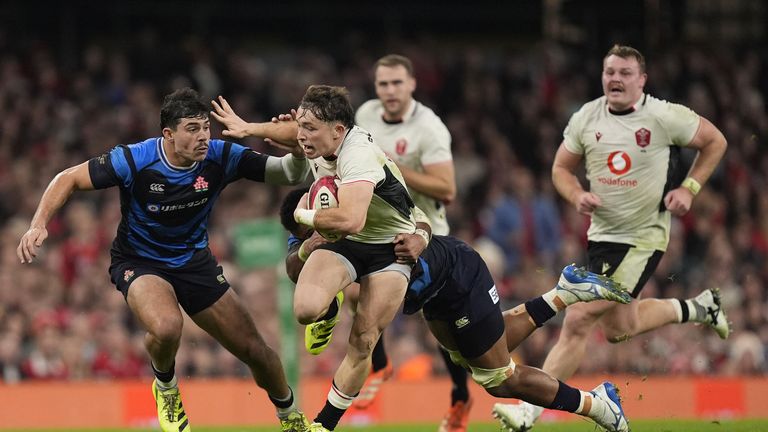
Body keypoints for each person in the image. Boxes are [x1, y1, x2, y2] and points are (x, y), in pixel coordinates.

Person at [17, 88, 312, 432]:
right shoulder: (136, 159)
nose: (203, 137)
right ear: (169, 134)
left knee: (256, 351)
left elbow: (289, 174)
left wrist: (296, 150)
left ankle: (290, 416)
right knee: (167, 326)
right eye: (192, 129)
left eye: (206, 127)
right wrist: (38, 224)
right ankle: (166, 387)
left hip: (194, 262)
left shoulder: (221, 155)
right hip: (139, 261)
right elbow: (67, 178)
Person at [493, 44, 730, 431]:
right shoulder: (587, 117)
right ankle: (700, 308)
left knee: (578, 318)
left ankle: (528, 412)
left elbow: (715, 141)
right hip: (602, 237)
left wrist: (689, 188)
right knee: (621, 327)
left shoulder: (663, 115)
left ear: (642, 80)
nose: (615, 79)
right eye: (610, 72)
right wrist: (576, 194)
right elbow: (560, 169)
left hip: (643, 238)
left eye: (624, 73)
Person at [278, 187, 632, 432]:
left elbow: (366, 307)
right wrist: (310, 253)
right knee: (475, 355)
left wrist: (330, 308)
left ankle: (597, 404)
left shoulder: (359, 220)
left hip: (457, 277)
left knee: (498, 378)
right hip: (435, 296)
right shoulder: (323, 235)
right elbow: (296, 267)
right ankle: (563, 294)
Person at [212, 85, 429, 432]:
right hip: (348, 241)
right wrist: (249, 128)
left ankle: (324, 424)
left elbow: (352, 219)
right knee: (305, 309)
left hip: (390, 245)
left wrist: (304, 215)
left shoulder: (357, 156)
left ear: (338, 131)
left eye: (310, 128)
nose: (301, 136)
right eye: (302, 125)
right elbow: (292, 131)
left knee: (363, 340)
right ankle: (329, 309)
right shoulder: (319, 139)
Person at [354, 53, 468, 431]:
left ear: (412, 85)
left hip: (426, 231)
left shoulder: (429, 128)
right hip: (381, 228)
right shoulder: (366, 115)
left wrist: (392, 169)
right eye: (383, 84)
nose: (389, 91)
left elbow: (447, 188)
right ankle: (380, 363)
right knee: (356, 290)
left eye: (397, 83)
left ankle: (460, 396)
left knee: (441, 325)